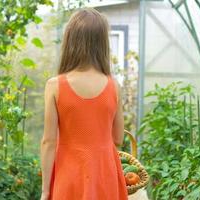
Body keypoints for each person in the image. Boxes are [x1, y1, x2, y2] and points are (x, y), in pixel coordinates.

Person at [40, 8, 128, 200]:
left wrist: (45, 191)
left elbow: (48, 141)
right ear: (102, 44)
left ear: (70, 41)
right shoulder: (114, 86)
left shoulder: (55, 86)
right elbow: (118, 138)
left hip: (69, 175)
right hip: (105, 175)